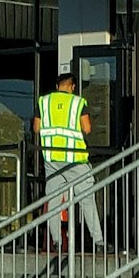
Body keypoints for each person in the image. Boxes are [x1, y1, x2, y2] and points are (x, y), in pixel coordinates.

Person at [32, 68, 103, 254]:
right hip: (75, 159)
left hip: (52, 158)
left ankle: (56, 241)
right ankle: (98, 241)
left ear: (57, 86)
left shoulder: (44, 102)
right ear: (72, 87)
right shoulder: (78, 102)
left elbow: (36, 128)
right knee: (87, 199)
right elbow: (87, 128)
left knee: (54, 200)